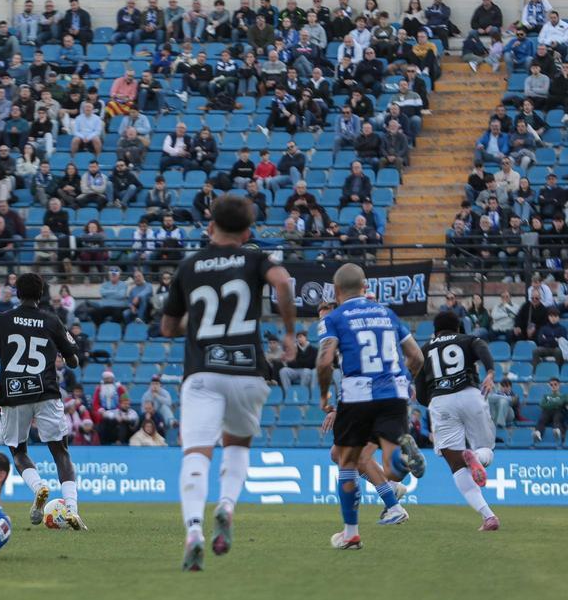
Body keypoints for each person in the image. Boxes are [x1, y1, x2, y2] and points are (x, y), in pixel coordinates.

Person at [160, 194, 297, 571]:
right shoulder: (254, 258)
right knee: (238, 445)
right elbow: (283, 282)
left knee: (196, 454)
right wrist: (288, 333)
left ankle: (193, 531)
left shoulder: (189, 266)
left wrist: (198, 323)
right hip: (247, 371)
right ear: (248, 231)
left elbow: (168, 327)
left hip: (202, 372)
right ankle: (227, 505)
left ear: (209, 226)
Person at [0, 272, 84, 530]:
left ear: (17, 293)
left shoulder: (2, 319)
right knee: (60, 452)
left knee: (18, 450)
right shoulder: (52, 320)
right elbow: (72, 360)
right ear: (41, 294)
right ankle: (71, 508)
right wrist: (67, 355)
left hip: (13, 393)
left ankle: (38, 487)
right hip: (46, 391)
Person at [316, 263, 425, 551]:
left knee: (347, 461)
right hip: (393, 394)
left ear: (337, 291)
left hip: (357, 396)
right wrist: (402, 383)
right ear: (365, 288)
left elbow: (325, 362)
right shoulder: (388, 314)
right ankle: (401, 465)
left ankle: (351, 532)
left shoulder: (335, 318)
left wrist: (324, 397)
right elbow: (416, 356)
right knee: (389, 463)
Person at [414, 310, 500, 531]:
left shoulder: (425, 349)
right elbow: (481, 348)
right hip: (470, 394)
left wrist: (430, 400)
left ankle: (488, 516)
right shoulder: (467, 339)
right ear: (459, 327)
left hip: (441, 402)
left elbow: (421, 393)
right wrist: (490, 371)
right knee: (486, 450)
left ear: (435, 330)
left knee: (456, 465)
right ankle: (477, 456)